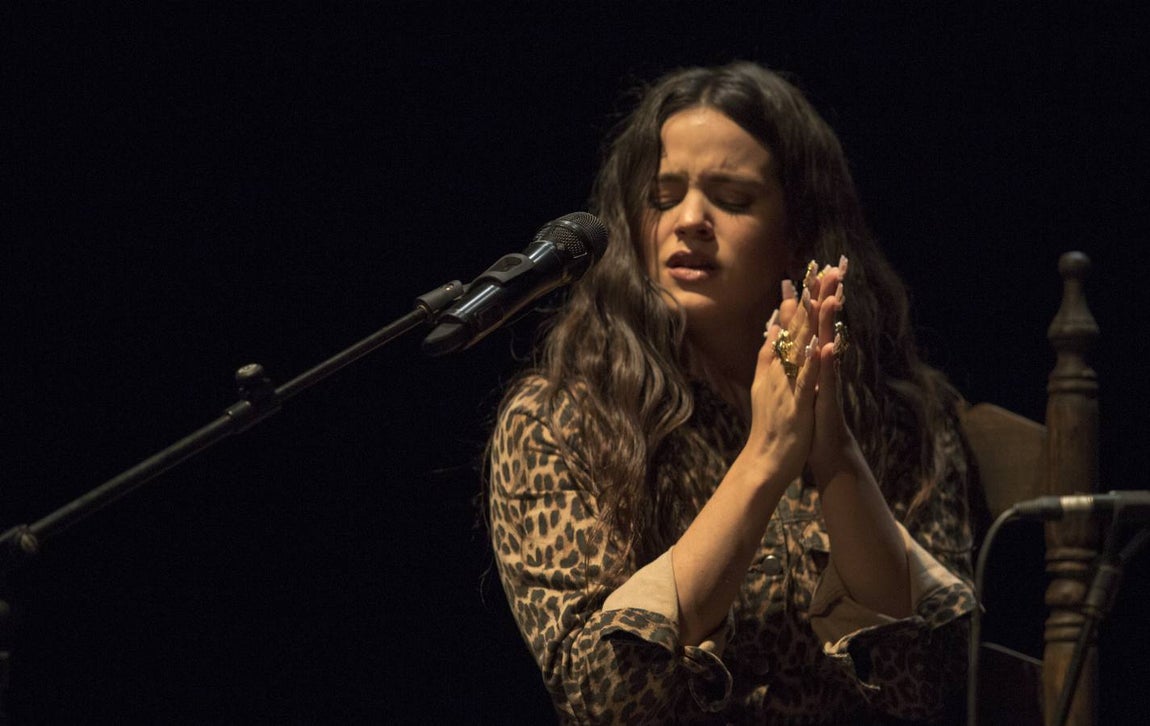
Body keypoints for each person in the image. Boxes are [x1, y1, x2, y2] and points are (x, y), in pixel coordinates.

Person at [484, 61, 976, 724]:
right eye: (664, 194)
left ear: (797, 230)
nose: (690, 219)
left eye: (732, 198)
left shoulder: (902, 413)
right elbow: (609, 700)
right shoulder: (560, 421)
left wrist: (833, 458)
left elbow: (921, 690)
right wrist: (766, 457)